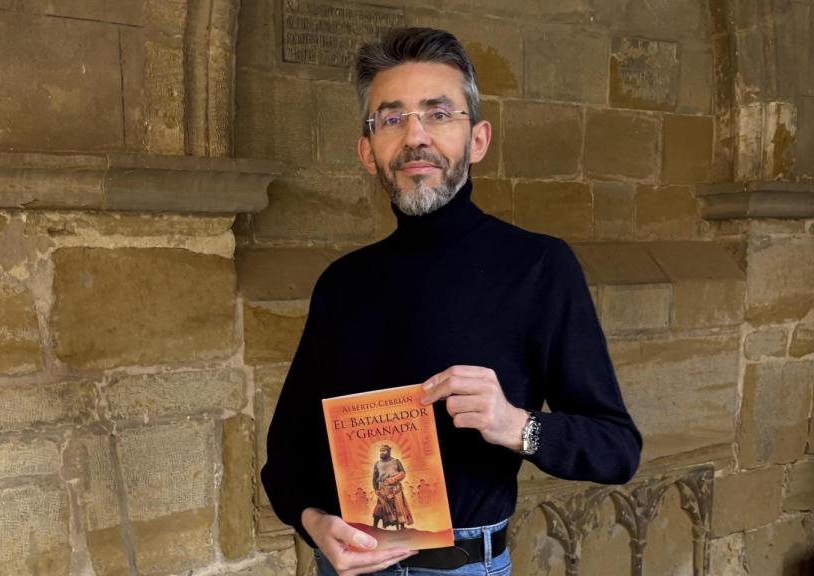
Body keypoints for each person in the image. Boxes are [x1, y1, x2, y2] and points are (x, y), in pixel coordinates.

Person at [261, 27, 642, 576]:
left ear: (477, 139)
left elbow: (617, 448)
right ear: (368, 151)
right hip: (345, 565)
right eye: (391, 118)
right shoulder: (342, 284)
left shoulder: (538, 267)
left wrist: (517, 424)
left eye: (438, 114)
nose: (416, 136)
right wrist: (316, 522)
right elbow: (287, 457)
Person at [371, 444, 412, 530]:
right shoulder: (377, 464)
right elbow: (375, 477)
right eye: (380, 451)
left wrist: (394, 479)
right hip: (383, 488)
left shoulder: (396, 461)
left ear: (388, 451)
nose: (381, 453)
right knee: (380, 506)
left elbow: (403, 473)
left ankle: (402, 527)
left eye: (384, 451)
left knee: (399, 506)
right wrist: (376, 489)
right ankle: (374, 527)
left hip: (396, 488)